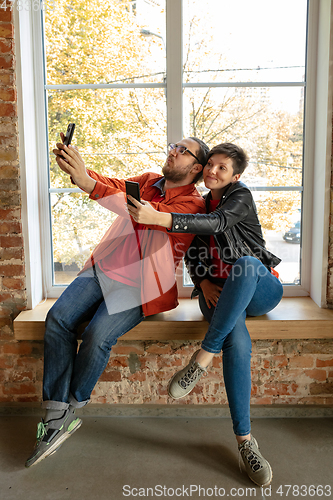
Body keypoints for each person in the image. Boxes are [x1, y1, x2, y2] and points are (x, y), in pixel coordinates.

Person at [25, 137, 209, 468]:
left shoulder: (192, 206)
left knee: (97, 336)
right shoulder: (148, 181)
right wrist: (78, 168)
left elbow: (145, 214)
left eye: (183, 151)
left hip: (139, 286)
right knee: (58, 319)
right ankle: (56, 413)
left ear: (196, 168)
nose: (173, 151)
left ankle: (73, 406)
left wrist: (87, 183)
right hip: (102, 269)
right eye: (173, 146)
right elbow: (112, 186)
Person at [127, 142, 283, 487]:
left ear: (236, 176)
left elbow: (215, 224)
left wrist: (160, 217)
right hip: (220, 295)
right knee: (237, 343)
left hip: (259, 288)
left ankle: (203, 356)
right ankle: (246, 442)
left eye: (222, 168)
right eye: (209, 164)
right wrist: (202, 280)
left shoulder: (239, 197)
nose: (212, 171)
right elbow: (193, 251)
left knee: (245, 264)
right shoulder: (197, 202)